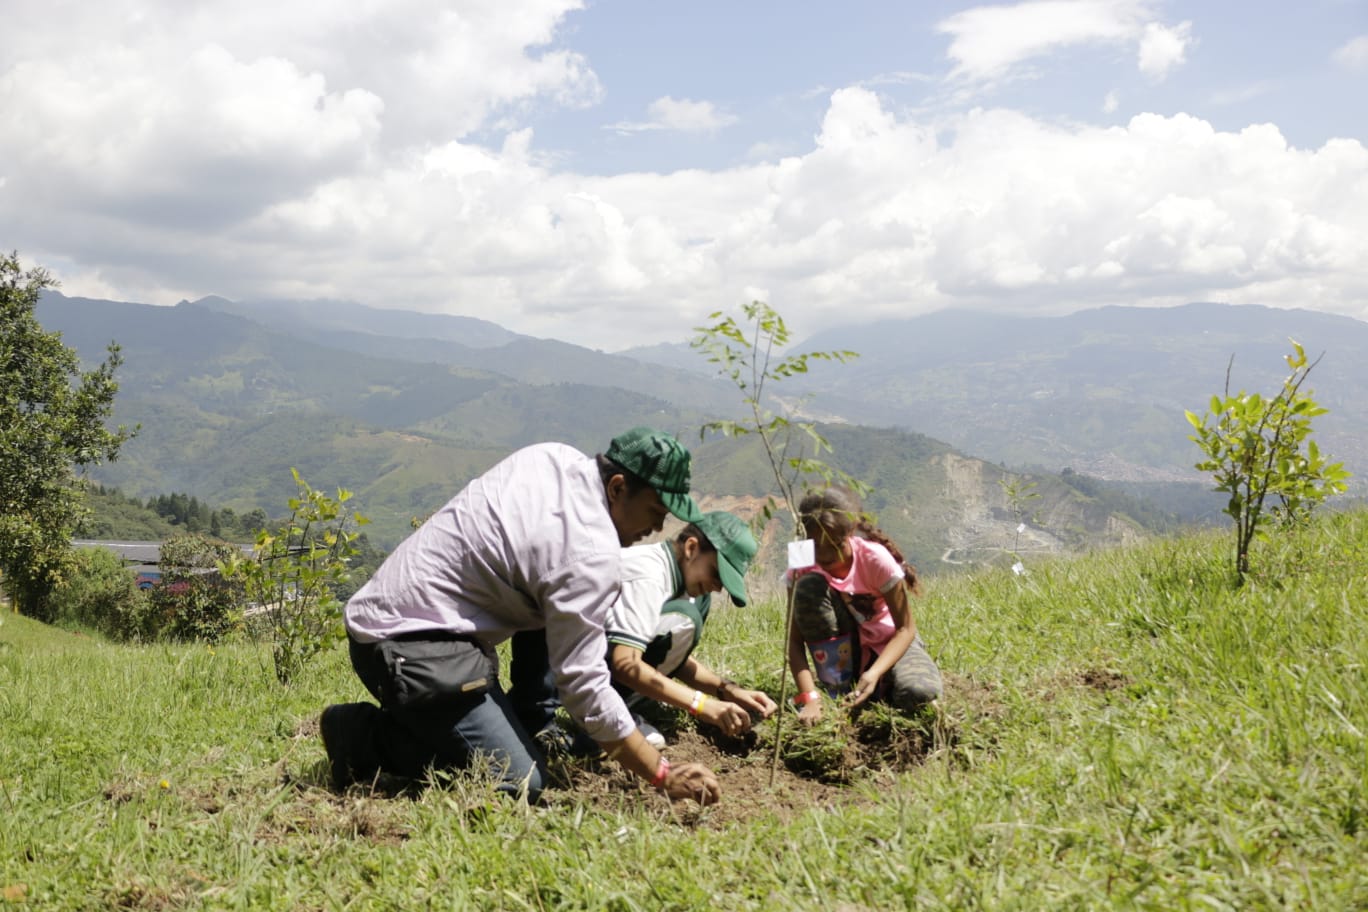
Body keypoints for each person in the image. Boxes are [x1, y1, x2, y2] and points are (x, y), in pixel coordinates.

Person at [320, 427, 721, 805]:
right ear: (617, 488)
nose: (656, 527)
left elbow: (552, 582)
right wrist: (660, 773)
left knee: (554, 606)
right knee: (520, 781)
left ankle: (525, 721)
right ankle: (360, 736)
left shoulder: (553, 457)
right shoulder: (590, 556)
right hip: (407, 651)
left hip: (383, 616)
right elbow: (584, 687)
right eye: (654, 510)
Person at [605, 511, 778, 746]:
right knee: (687, 617)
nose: (717, 589)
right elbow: (625, 664)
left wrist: (726, 690)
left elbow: (672, 658)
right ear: (691, 548)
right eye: (716, 574)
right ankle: (607, 715)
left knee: (696, 605)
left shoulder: (678, 580)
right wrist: (701, 705)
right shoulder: (650, 578)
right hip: (566, 674)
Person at [786, 487, 942, 725]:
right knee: (808, 587)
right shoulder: (800, 559)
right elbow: (794, 640)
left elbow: (905, 629)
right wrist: (810, 698)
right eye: (815, 545)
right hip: (843, 653)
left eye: (834, 544)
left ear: (849, 531)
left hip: (889, 643)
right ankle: (837, 686)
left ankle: (879, 685)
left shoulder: (875, 559)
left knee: (918, 692)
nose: (824, 555)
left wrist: (874, 673)